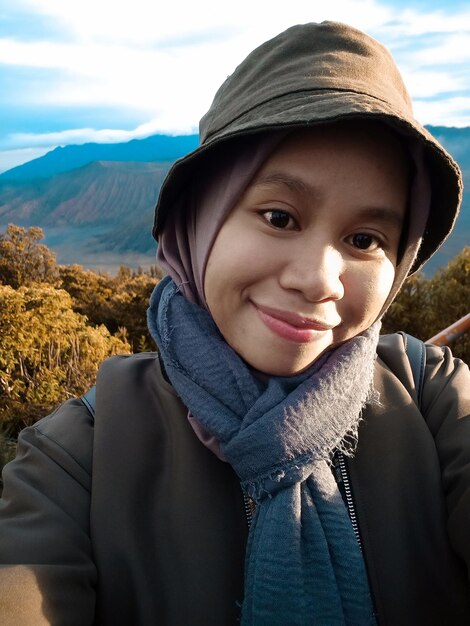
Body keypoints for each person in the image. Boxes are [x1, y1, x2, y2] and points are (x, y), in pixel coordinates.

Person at [0, 20, 469, 626]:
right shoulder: (80, 455)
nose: (320, 280)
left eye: (364, 238)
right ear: (199, 221)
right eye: (278, 216)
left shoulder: (432, 396)